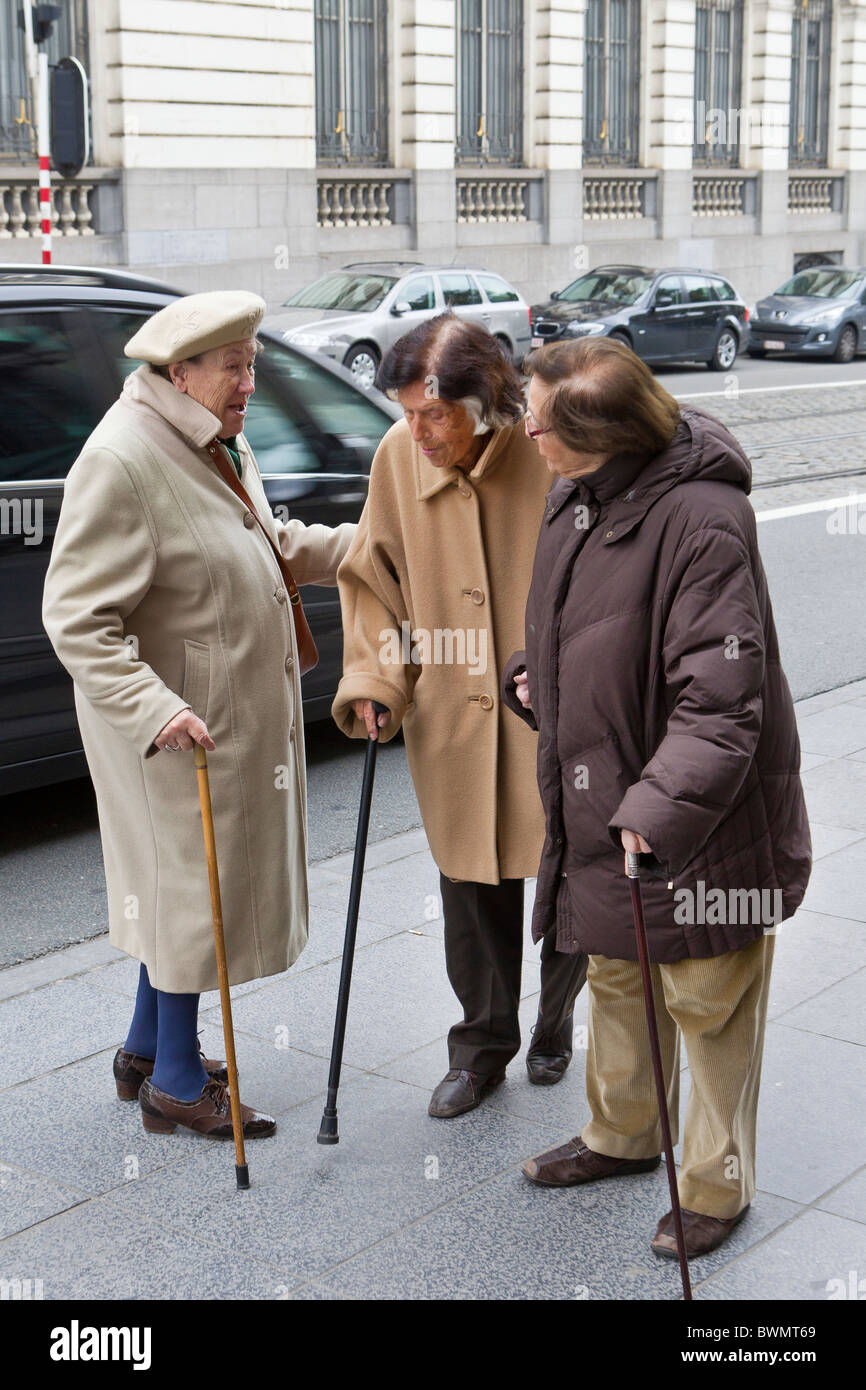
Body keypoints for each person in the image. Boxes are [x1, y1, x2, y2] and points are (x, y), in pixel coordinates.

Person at [502, 337, 811, 1258]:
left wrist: (654, 807)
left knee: (708, 996)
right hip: (607, 792)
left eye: (541, 419)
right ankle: (624, 1134)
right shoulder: (576, 494)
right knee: (618, 972)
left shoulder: (706, 519)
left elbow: (723, 702)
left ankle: (716, 1185)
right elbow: (568, 625)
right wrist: (536, 677)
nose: (526, 429)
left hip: (695, 819)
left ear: (598, 433)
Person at [42, 291, 355, 1140]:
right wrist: (157, 708)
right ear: (180, 372)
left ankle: (147, 1048)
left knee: (179, 890)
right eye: (234, 366)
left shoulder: (211, 437)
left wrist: (360, 547)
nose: (249, 381)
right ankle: (177, 1085)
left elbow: (265, 539)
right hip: (174, 726)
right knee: (191, 895)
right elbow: (76, 617)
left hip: (213, 718)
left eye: (253, 363)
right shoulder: (123, 459)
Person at [331, 314, 587, 1119]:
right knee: (469, 886)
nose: (417, 432)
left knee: (570, 878)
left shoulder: (552, 450)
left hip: (553, 712)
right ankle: (480, 1047)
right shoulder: (396, 459)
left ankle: (554, 1023)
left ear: (487, 401)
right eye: (406, 413)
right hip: (454, 714)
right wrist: (376, 677)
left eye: (433, 414)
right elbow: (374, 578)